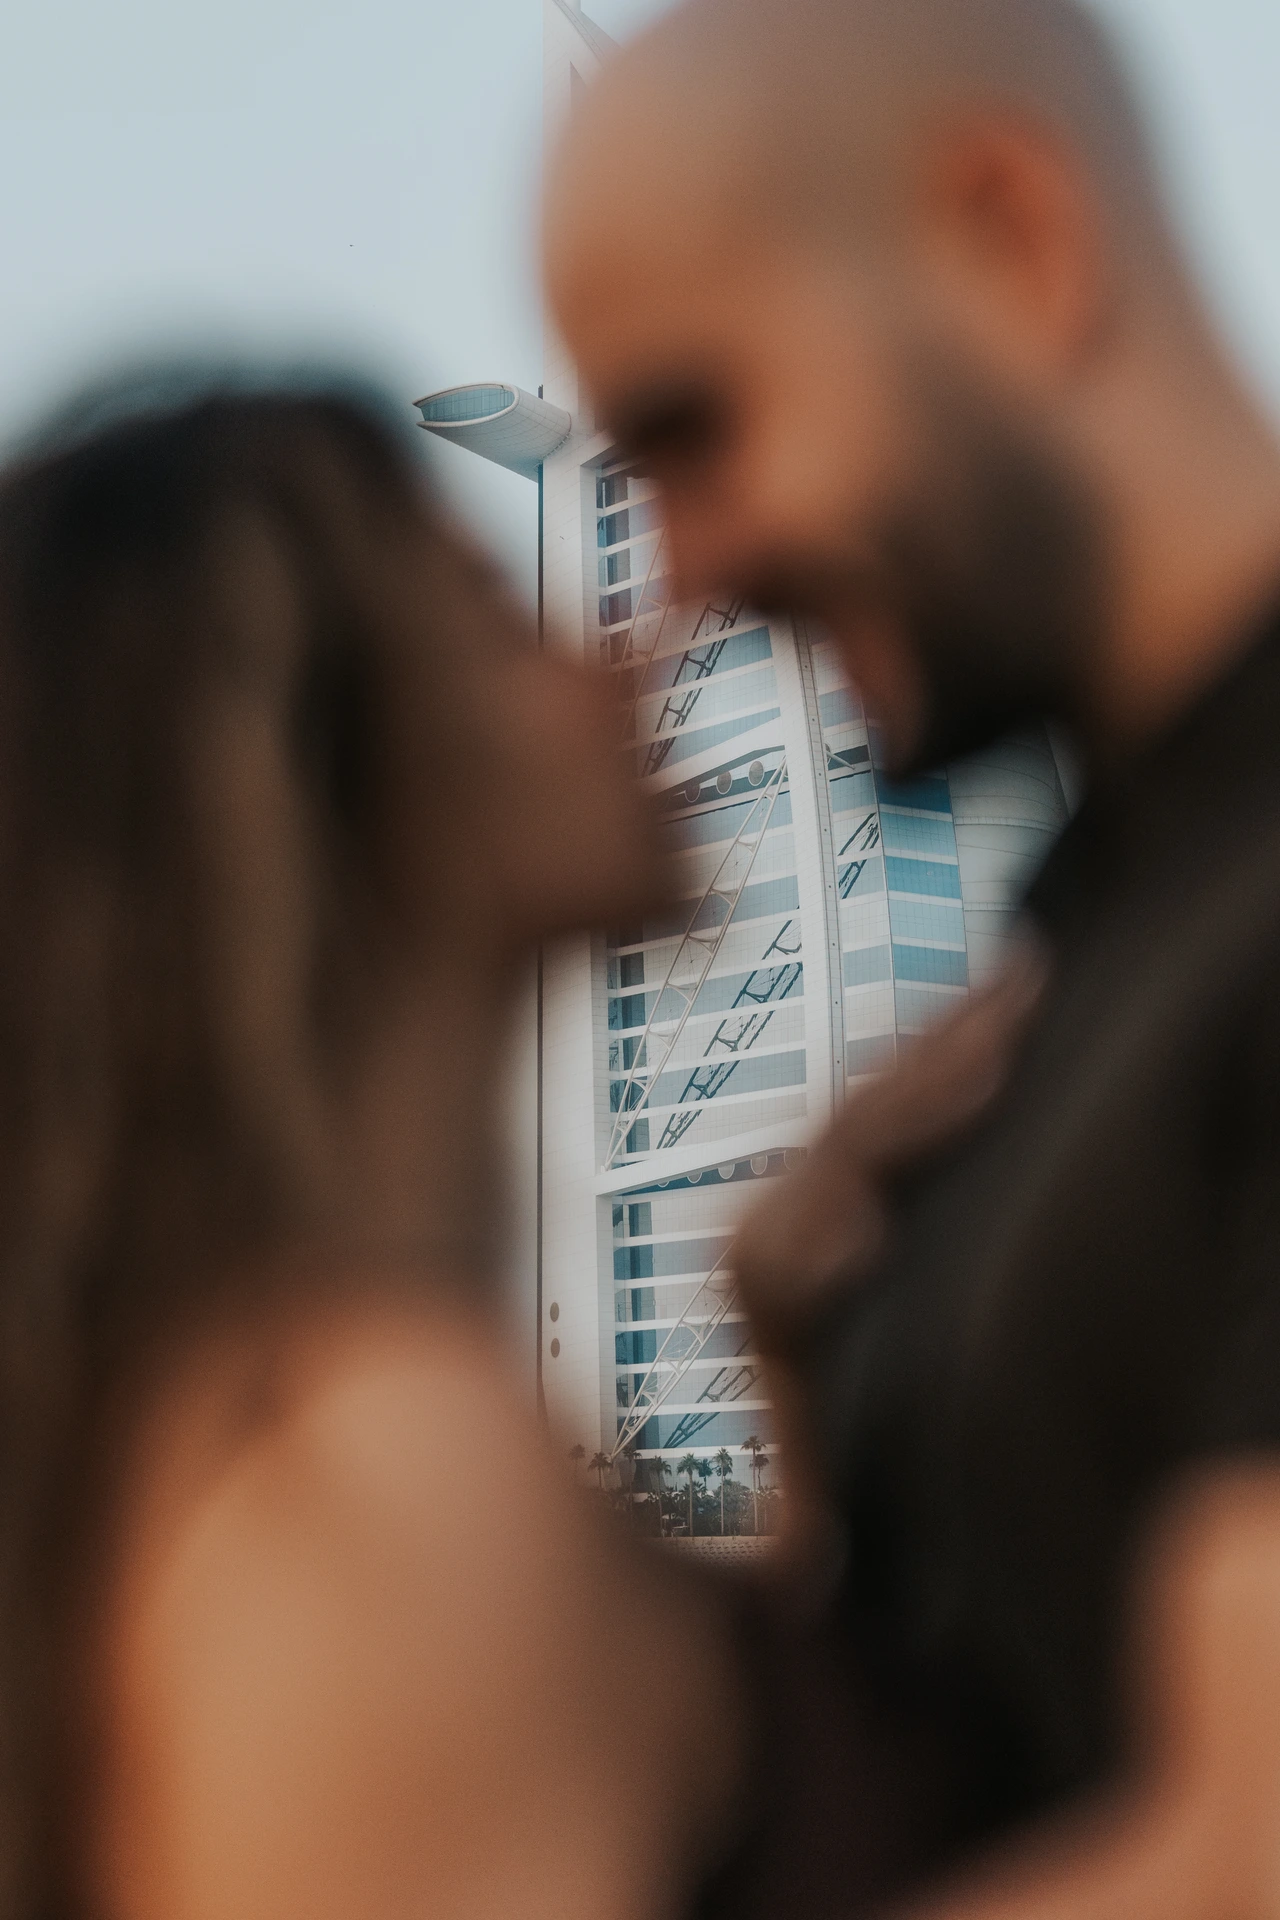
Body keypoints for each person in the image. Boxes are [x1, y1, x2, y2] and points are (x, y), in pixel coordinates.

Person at [542, 0, 1280, 1915]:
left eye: (693, 429)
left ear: (1012, 239)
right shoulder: (1090, 943)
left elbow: (1252, 1849)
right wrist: (806, 1361)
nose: (683, 577)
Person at [0, 373, 744, 1920]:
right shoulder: (369, 1479)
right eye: (501, 621)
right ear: (311, 771)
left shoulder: (245, 1436)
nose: (624, 653)